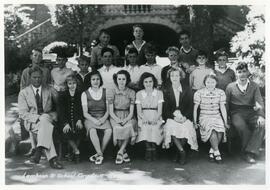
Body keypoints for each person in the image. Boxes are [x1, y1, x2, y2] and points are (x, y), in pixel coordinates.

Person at [18, 66, 63, 169]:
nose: (37, 79)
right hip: (32, 122)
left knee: (45, 120)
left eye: (39, 77)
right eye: (34, 77)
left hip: (49, 117)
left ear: (42, 77)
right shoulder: (24, 93)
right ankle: (52, 159)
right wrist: (38, 117)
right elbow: (23, 113)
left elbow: (59, 103)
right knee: (44, 123)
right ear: (30, 78)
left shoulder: (49, 89)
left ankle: (39, 152)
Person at [225, 62, 265, 164]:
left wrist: (260, 115)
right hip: (236, 112)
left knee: (262, 124)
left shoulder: (254, 86)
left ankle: (249, 152)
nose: (242, 74)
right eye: (239, 72)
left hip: (251, 112)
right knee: (241, 126)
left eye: (244, 71)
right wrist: (226, 118)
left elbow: (259, 101)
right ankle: (247, 153)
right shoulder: (230, 87)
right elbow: (226, 104)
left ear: (247, 72)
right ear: (236, 73)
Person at [162, 68, 198, 165]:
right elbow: (165, 109)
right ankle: (182, 152)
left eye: (176, 75)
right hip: (171, 116)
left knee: (187, 127)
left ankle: (178, 151)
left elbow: (191, 106)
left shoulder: (187, 89)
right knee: (171, 126)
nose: (174, 78)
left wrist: (185, 117)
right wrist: (174, 118)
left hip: (184, 115)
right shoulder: (165, 89)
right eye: (172, 75)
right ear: (169, 77)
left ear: (180, 77)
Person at [193, 74, 228, 164]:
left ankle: (212, 150)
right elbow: (195, 108)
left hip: (216, 115)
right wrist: (195, 121)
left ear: (216, 83)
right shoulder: (199, 93)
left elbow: (222, 107)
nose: (210, 84)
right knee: (212, 129)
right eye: (208, 82)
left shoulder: (220, 92)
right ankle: (217, 153)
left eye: (212, 82)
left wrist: (225, 121)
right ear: (205, 83)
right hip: (205, 116)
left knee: (220, 130)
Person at [81, 70, 112, 165]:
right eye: (93, 79)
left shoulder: (106, 92)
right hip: (90, 118)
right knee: (92, 130)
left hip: (103, 117)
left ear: (100, 80)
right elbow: (85, 113)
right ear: (90, 81)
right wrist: (94, 120)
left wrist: (103, 119)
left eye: (98, 79)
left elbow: (108, 110)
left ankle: (99, 154)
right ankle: (100, 153)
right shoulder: (85, 94)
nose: (96, 81)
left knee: (109, 130)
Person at [108, 70, 137, 164]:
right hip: (115, 115)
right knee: (117, 128)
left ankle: (120, 151)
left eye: (123, 79)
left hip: (128, 115)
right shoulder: (111, 92)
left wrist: (125, 120)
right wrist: (118, 120)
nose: (121, 81)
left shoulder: (131, 92)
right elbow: (111, 111)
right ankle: (123, 152)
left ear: (127, 80)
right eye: (119, 79)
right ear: (116, 80)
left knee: (128, 126)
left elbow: (131, 112)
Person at [135, 72, 164, 161]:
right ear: (142, 83)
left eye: (150, 81)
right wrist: (144, 119)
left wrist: (155, 119)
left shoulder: (159, 93)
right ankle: (148, 149)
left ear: (153, 82)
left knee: (155, 127)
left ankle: (154, 148)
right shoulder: (139, 94)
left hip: (156, 114)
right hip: (143, 115)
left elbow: (160, 111)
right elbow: (139, 111)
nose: (148, 84)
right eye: (146, 82)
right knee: (145, 127)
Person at [58, 74, 85, 163]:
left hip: (77, 119)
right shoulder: (62, 95)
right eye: (70, 83)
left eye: (74, 83)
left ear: (77, 84)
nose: (72, 85)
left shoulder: (80, 94)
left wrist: (80, 120)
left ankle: (72, 153)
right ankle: (77, 151)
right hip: (66, 120)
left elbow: (82, 109)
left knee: (80, 130)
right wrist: (65, 123)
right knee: (66, 132)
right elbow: (61, 111)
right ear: (67, 84)